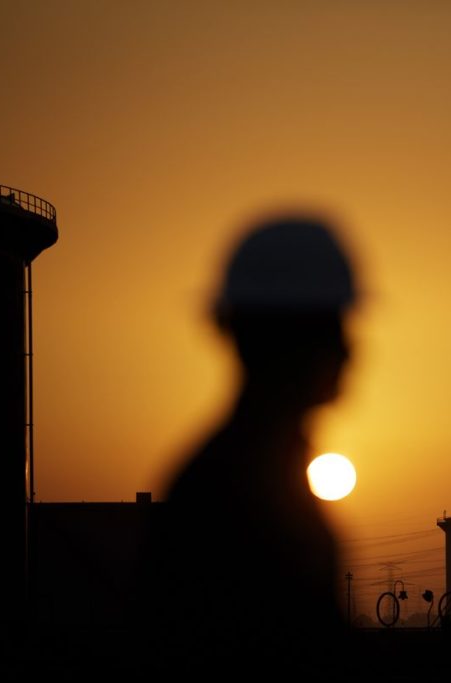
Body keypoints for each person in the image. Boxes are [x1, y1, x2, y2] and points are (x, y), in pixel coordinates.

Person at [138, 215, 356, 674]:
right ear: (282, 340)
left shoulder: (249, 477)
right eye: (332, 324)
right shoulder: (233, 498)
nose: (349, 349)